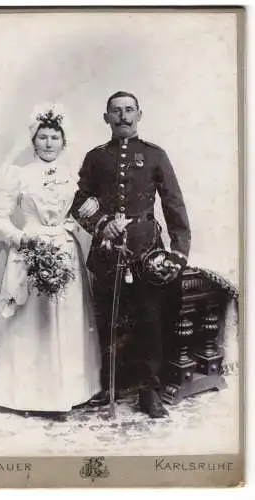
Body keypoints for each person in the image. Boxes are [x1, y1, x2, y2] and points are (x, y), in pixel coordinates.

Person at [0, 104, 101, 418]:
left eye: (55, 136)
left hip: (65, 251)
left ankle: (70, 391)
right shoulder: (19, 175)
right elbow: (1, 218)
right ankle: (25, 393)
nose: (48, 142)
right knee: (30, 320)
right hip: (29, 249)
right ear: (33, 140)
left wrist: (89, 208)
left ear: (63, 141)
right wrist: (21, 238)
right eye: (43, 136)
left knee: (65, 317)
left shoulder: (73, 176)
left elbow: (83, 209)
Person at [71, 91, 191, 418]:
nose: (123, 116)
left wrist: (178, 254)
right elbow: (79, 201)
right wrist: (101, 225)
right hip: (108, 252)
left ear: (139, 114)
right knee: (108, 320)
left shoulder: (155, 155)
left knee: (149, 321)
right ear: (106, 117)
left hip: (146, 250)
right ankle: (110, 384)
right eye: (116, 111)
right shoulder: (95, 158)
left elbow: (174, 204)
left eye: (129, 110)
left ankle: (149, 392)